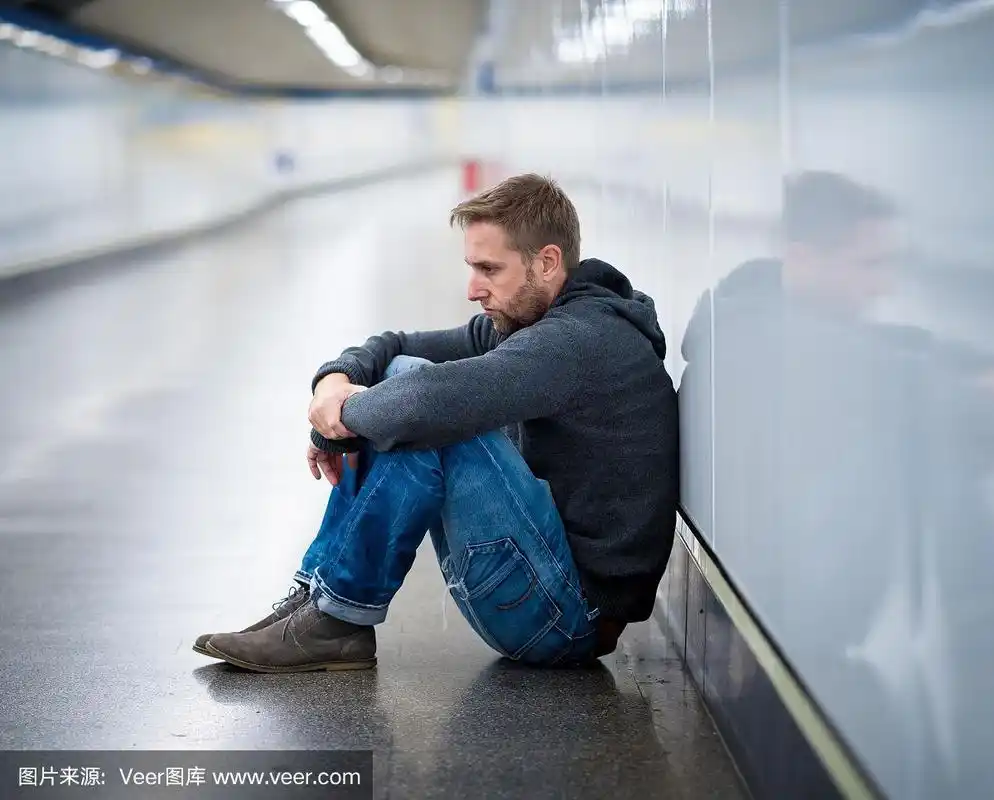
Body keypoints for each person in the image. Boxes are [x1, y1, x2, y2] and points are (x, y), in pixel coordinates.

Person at [193, 173, 680, 672]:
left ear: (548, 262)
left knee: (423, 408)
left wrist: (333, 424)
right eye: (473, 268)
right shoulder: (537, 320)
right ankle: (321, 599)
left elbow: (422, 403)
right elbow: (398, 345)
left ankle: (338, 619)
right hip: (550, 585)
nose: (473, 289)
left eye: (489, 269)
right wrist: (333, 384)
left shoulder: (578, 341)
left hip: (568, 617)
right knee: (404, 379)